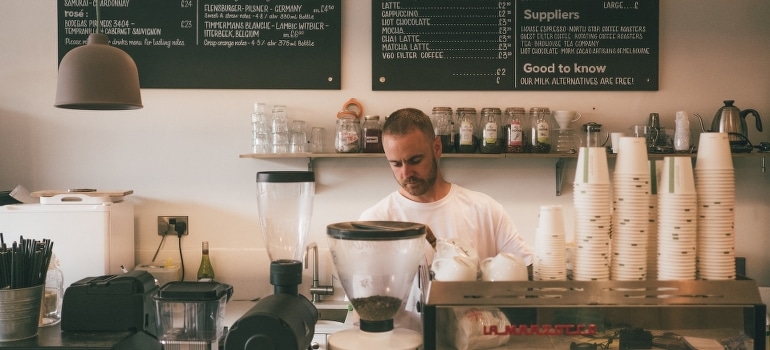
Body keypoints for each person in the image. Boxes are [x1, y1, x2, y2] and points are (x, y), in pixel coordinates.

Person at [358, 107, 534, 332]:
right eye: (396, 164)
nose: (406, 173)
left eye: (415, 160)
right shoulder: (376, 221)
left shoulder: (485, 210)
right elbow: (364, 308)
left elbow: (526, 275)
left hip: (476, 345)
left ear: (437, 148)